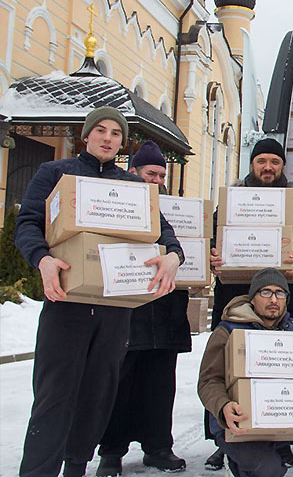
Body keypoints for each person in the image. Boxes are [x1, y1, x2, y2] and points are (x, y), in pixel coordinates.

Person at [14, 107, 184, 477]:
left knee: (97, 395)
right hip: (67, 303)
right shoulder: (56, 174)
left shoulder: (135, 187)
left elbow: (165, 233)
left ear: (123, 143)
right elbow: (28, 223)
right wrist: (41, 259)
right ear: (86, 136)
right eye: (101, 131)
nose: (108, 138)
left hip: (114, 308)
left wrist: (173, 257)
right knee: (54, 396)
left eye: (116, 134)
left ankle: (76, 467)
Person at [205, 137, 293, 470]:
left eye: (275, 162)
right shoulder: (231, 200)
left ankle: (280, 437)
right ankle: (223, 439)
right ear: (252, 165)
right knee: (225, 367)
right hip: (235, 297)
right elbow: (214, 234)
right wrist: (212, 253)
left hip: (281, 300)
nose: (268, 167)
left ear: (283, 167)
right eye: (262, 161)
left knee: (282, 369)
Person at [95, 141, 191, 476]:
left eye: (162, 175)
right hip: (126, 311)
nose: (157, 181)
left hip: (163, 310)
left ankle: (158, 447)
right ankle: (111, 451)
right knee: (118, 384)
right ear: (133, 172)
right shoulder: (113, 204)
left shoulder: (166, 210)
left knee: (160, 385)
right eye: (151, 173)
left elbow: (176, 246)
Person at [197, 268, 293, 477]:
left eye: (280, 293)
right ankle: (233, 459)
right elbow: (208, 381)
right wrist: (223, 406)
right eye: (265, 292)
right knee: (270, 471)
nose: (273, 299)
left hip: (284, 415)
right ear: (253, 298)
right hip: (240, 424)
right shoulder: (228, 330)